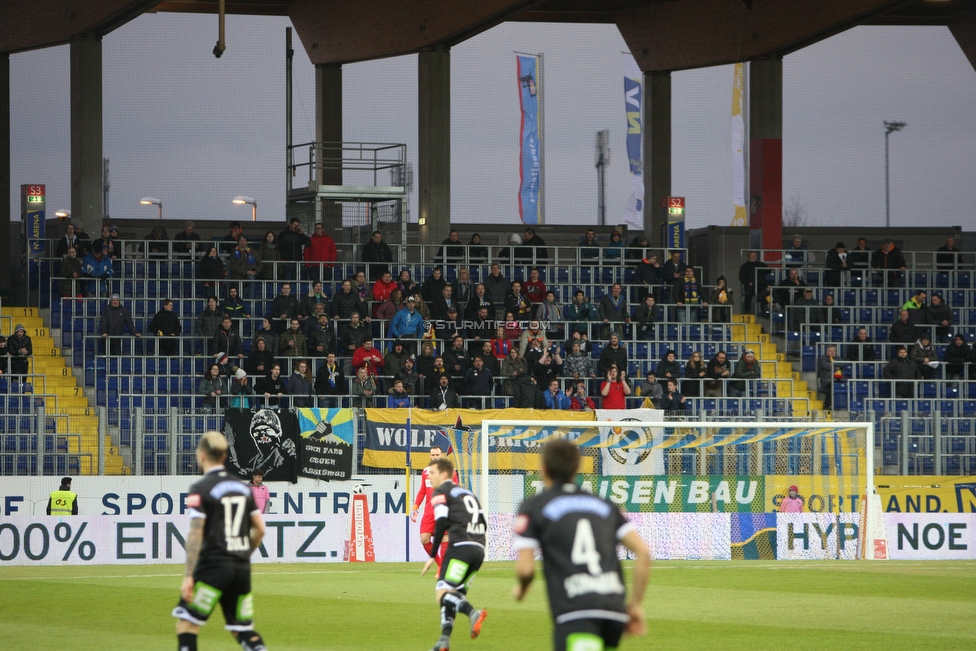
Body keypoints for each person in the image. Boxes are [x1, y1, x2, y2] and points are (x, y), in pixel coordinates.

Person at [513, 440, 649, 651]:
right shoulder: (604, 504)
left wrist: (521, 590)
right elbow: (643, 552)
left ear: (544, 468)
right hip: (614, 611)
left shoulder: (534, 506)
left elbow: (525, 569)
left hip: (576, 612)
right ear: (577, 468)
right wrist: (636, 604)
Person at [171, 431, 267, 651]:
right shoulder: (244, 488)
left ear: (202, 455)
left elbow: (196, 532)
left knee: (187, 624)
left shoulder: (200, 488)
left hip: (213, 567)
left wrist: (188, 575)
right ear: (224, 456)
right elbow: (260, 529)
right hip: (241, 568)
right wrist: (242, 554)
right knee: (242, 629)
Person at [418, 457, 488, 651]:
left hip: (460, 548)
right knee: (453, 595)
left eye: (432, 473)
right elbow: (483, 522)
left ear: (444, 474)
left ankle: (473, 613)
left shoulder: (441, 491)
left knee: (442, 592)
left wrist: (433, 554)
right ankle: (444, 640)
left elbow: (440, 522)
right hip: (479, 550)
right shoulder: (467, 492)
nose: (429, 476)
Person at [738, 251, 768, 315]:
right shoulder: (744, 266)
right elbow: (741, 277)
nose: (754, 257)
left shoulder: (761, 265)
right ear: (748, 257)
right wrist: (748, 283)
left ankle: (764, 311)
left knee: (766, 294)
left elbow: (768, 270)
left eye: (755, 255)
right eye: (752, 255)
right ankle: (747, 312)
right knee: (748, 296)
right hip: (750, 286)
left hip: (761, 286)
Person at [816, 345, 840, 410]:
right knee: (832, 385)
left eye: (833, 351)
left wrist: (831, 365)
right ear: (827, 352)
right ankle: (827, 404)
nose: (832, 352)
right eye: (830, 351)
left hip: (838, 379)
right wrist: (836, 367)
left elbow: (842, 364)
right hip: (827, 380)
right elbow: (825, 366)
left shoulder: (838, 358)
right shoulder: (822, 358)